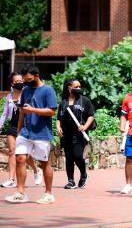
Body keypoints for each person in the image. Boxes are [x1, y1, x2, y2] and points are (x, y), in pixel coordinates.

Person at [5, 65, 58, 204]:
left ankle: (48, 193)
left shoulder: (48, 90)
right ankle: (21, 193)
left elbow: (52, 111)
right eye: (24, 79)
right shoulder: (26, 90)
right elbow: (23, 110)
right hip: (25, 132)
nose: (26, 82)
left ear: (36, 76)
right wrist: (19, 129)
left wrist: (33, 110)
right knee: (20, 158)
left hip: (41, 133)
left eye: (28, 79)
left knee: (44, 163)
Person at [0, 72, 42, 188]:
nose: (19, 83)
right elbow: (4, 114)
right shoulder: (9, 96)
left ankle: (36, 169)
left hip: (25, 126)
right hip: (13, 125)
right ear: (12, 83)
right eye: (16, 81)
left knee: (23, 154)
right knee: (12, 151)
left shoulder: (27, 94)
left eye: (21, 81)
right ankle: (11, 179)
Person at [56, 79, 95, 189]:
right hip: (66, 134)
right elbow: (59, 118)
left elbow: (91, 116)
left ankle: (83, 174)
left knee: (77, 155)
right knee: (69, 157)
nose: (78, 89)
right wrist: (58, 128)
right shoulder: (63, 102)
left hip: (79, 134)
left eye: (79, 86)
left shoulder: (85, 101)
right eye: (76, 87)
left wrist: (85, 126)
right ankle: (71, 181)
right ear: (69, 88)